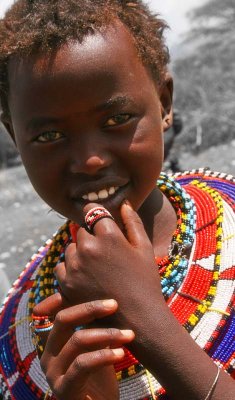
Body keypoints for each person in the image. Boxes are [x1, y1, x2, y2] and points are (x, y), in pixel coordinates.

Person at [0, 1, 234, 399]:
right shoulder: (17, 336)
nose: (90, 161)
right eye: (48, 137)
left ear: (164, 102)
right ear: (14, 137)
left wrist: (149, 323)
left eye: (115, 119)